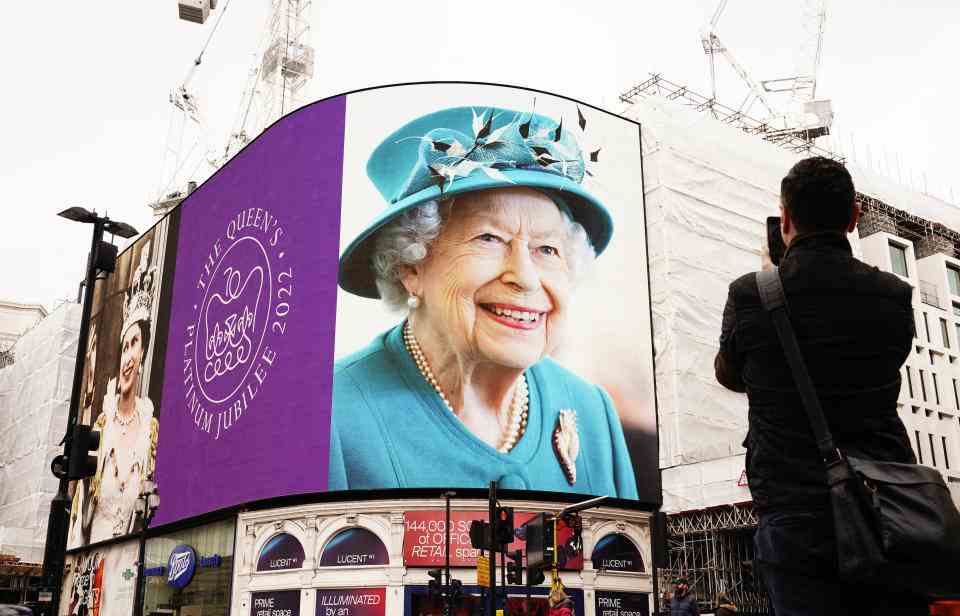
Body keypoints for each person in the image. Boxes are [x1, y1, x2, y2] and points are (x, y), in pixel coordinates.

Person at [330, 105, 637, 497]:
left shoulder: (592, 411)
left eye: (547, 249)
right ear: (411, 266)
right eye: (489, 239)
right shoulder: (333, 416)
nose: (525, 277)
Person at [714, 157, 927, 615]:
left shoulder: (752, 294)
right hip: (886, 506)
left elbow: (730, 374)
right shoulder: (892, 295)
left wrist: (772, 282)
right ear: (853, 218)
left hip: (795, 508)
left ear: (786, 219)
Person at [72, 248, 160, 545]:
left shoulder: (150, 430)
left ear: (143, 352)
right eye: (124, 346)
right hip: (93, 558)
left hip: (132, 562)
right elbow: (80, 522)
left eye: (134, 344)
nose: (127, 357)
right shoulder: (101, 423)